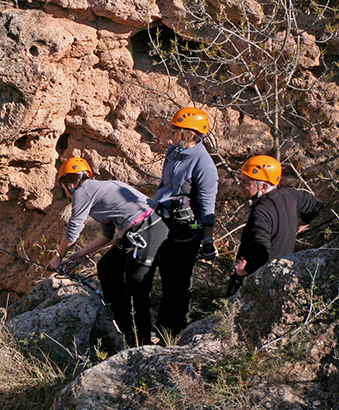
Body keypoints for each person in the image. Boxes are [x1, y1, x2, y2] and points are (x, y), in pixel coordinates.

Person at [48, 157, 169, 347]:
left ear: (69, 184)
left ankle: (141, 342)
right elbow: (105, 236)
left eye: (63, 187)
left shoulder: (82, 191)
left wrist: (58, 257)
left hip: (145, 229)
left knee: (135, 286)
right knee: (106, 266)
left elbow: (73, 231)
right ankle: (127, 328)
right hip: (149, 226)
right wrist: (76, 257)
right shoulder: (99, 190)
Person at [151, 106, 219, 339]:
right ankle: (161, 327)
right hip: (163, 219)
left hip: (186, 230)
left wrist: (207, 241)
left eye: (176, 131)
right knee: (165, 274)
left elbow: (208, 207)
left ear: (190, 134)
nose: (170, 134)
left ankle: (174, 333)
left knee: (178, 282)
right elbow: (164, 185)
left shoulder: (204, 165)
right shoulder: (174, 151)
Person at [227, 155, 322, 295]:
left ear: (264, 186)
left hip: (256, 284)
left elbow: (261, 253)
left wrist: (244, 271)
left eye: (246, 182)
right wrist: (300, 226)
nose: (240, 185)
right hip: (282, 277)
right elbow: (316, 206)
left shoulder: (260, 213)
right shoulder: (290, 195)